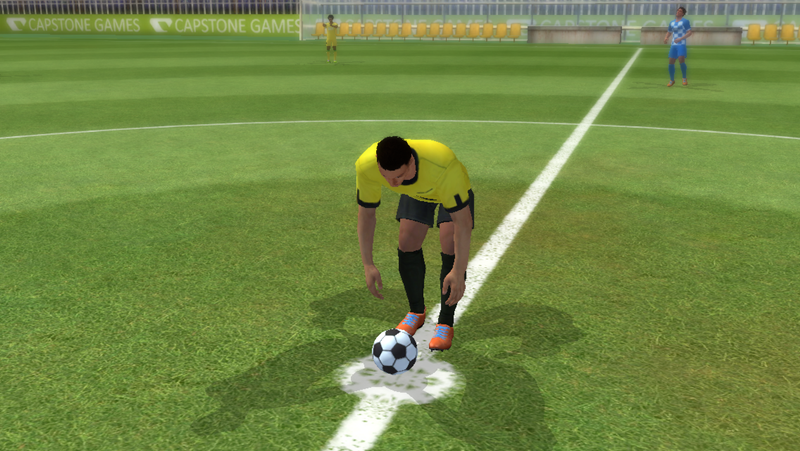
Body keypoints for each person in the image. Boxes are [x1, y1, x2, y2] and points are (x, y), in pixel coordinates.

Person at [356, 137, 474, 351]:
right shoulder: (367, 165)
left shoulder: (443, 164)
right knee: (407, 241)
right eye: (386, 176)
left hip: (444, 189)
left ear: (411, 161)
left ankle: (445, 322)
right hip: (417, 193)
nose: (393, 184)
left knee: (449, 243)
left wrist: (458, 270)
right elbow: (366, 215)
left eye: (398, 176)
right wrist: (368, 264)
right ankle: (416, 312)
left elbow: (463, 223)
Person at [664, 6, 692, 86]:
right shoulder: (672, 22)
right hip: (673, 44)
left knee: (681, 60)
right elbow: (669, 31)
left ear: (683, 13)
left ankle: (684, 78)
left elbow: (689, 32)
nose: (678, 12)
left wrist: (680, 38)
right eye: (677, 10)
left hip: (681, 44)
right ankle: (672, 80)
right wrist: (666, 37)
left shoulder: (685, 21)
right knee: (671, 62)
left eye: (680, 11)